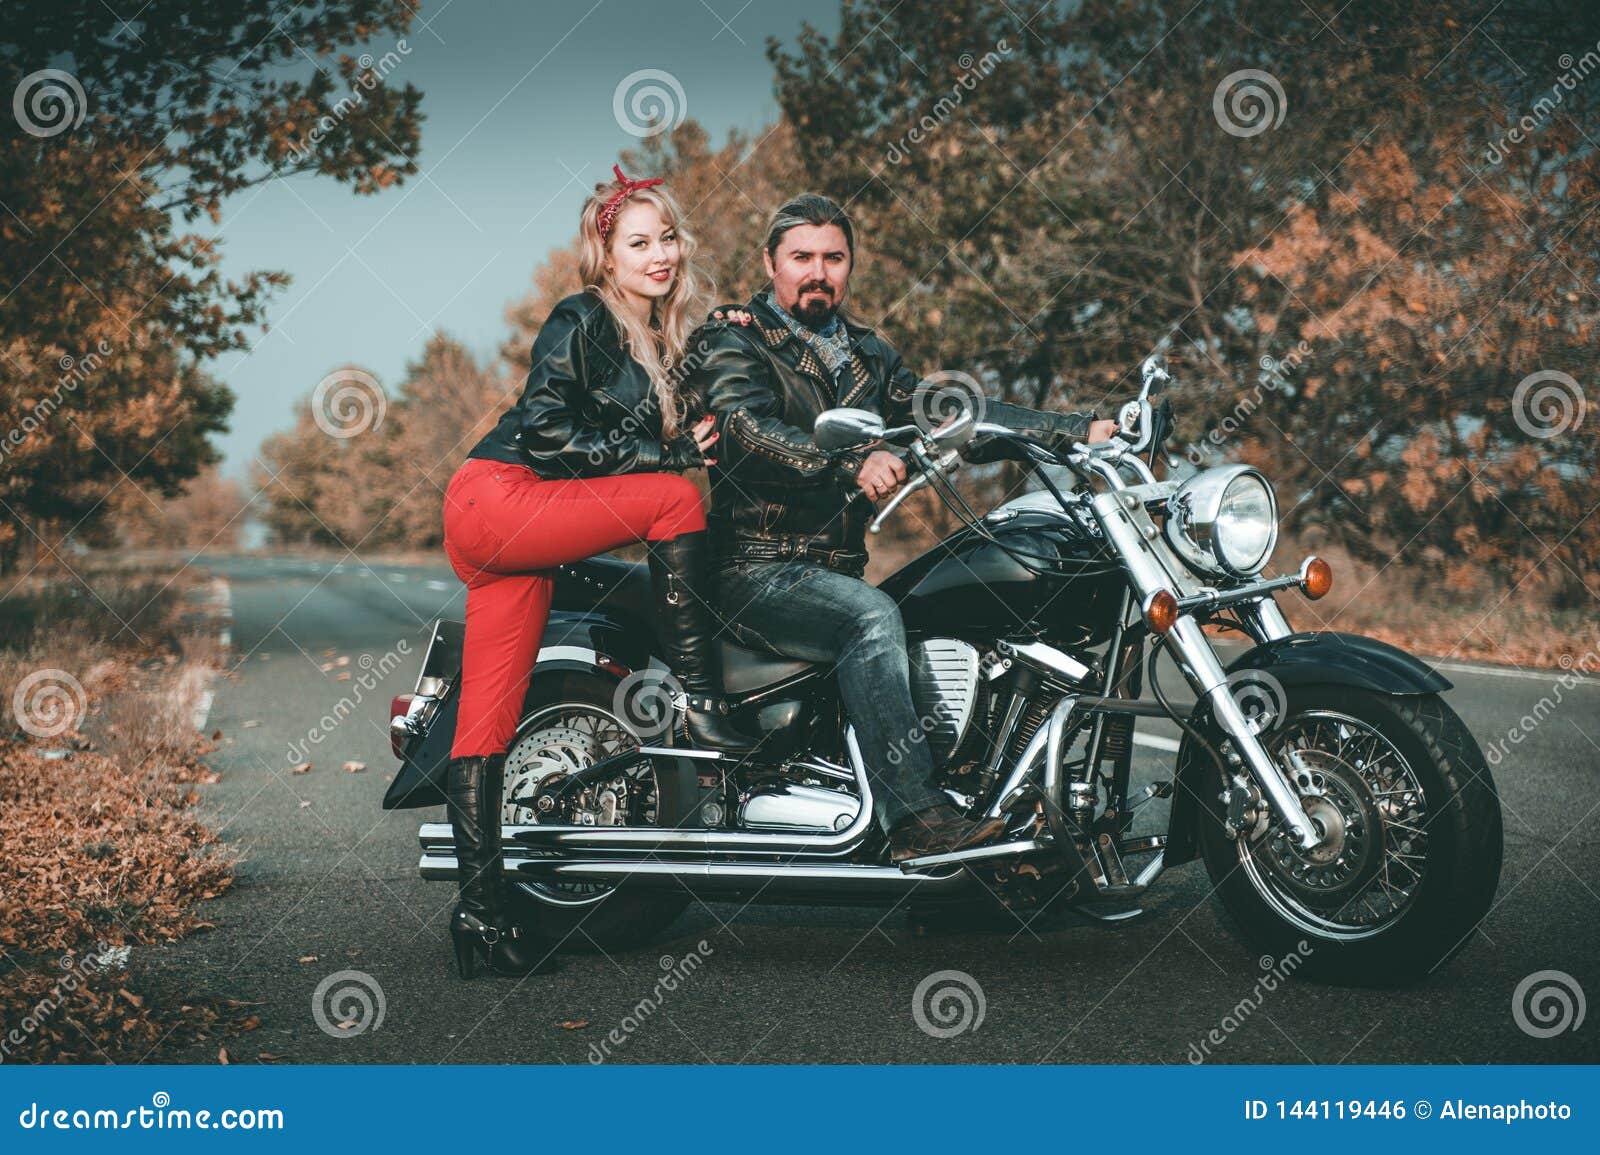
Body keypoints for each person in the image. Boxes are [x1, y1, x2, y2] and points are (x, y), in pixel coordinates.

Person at [686, 193, 1117, 863]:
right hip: (753, 568)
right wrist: (849, 460)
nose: (817, 272)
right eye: (801, 257)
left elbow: (948, 411)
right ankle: (915, 818)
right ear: (770, 262)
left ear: (850, 265)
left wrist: (1073, 432)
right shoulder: (733, 336)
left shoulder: (866, 355)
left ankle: (987, 809)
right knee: (872, 618)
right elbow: (746, 431)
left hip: (831, 571)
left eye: (833, 257)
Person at [439, 166, 756, 978]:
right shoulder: (580, 318)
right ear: (606, 256)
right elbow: (547, 434)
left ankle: (480, 915)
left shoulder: (664, 343)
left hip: (520, 528)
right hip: (497, 495)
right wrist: (672, 452)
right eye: (638, 242)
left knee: (486, 726)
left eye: (669, 238)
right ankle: (700, 698)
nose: (660, 254)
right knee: (673, 499)